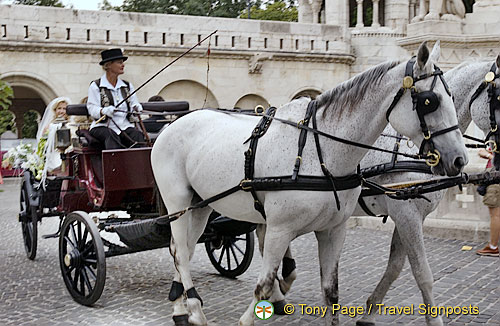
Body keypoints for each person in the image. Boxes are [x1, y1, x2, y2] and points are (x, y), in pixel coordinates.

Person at [87, 48, 145, 149]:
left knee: (137, 135)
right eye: (119, 62)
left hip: (124, 126)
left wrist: (136, 108)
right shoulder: (96, 86)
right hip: (102, 127)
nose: (123, 65)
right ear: (108, 65)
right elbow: (92, 108)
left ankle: (138, 163)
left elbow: (133, 104)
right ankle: (114, 164)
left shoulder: (127, 86)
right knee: (111, 136)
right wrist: (103, 111)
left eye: (122, 62)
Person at [36, 97, 71, 184]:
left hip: (69, 153)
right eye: (59, 108)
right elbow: (43, 144)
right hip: (54, 153)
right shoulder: (48, 127)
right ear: (55, 110)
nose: (62, 111)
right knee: (56, 162)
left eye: (64, 109)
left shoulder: (71, 124)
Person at [476, 148, 500, 256]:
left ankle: (493, 247)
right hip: (494, 181)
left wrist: (488, 156)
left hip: (495, 182)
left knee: (495, 216)